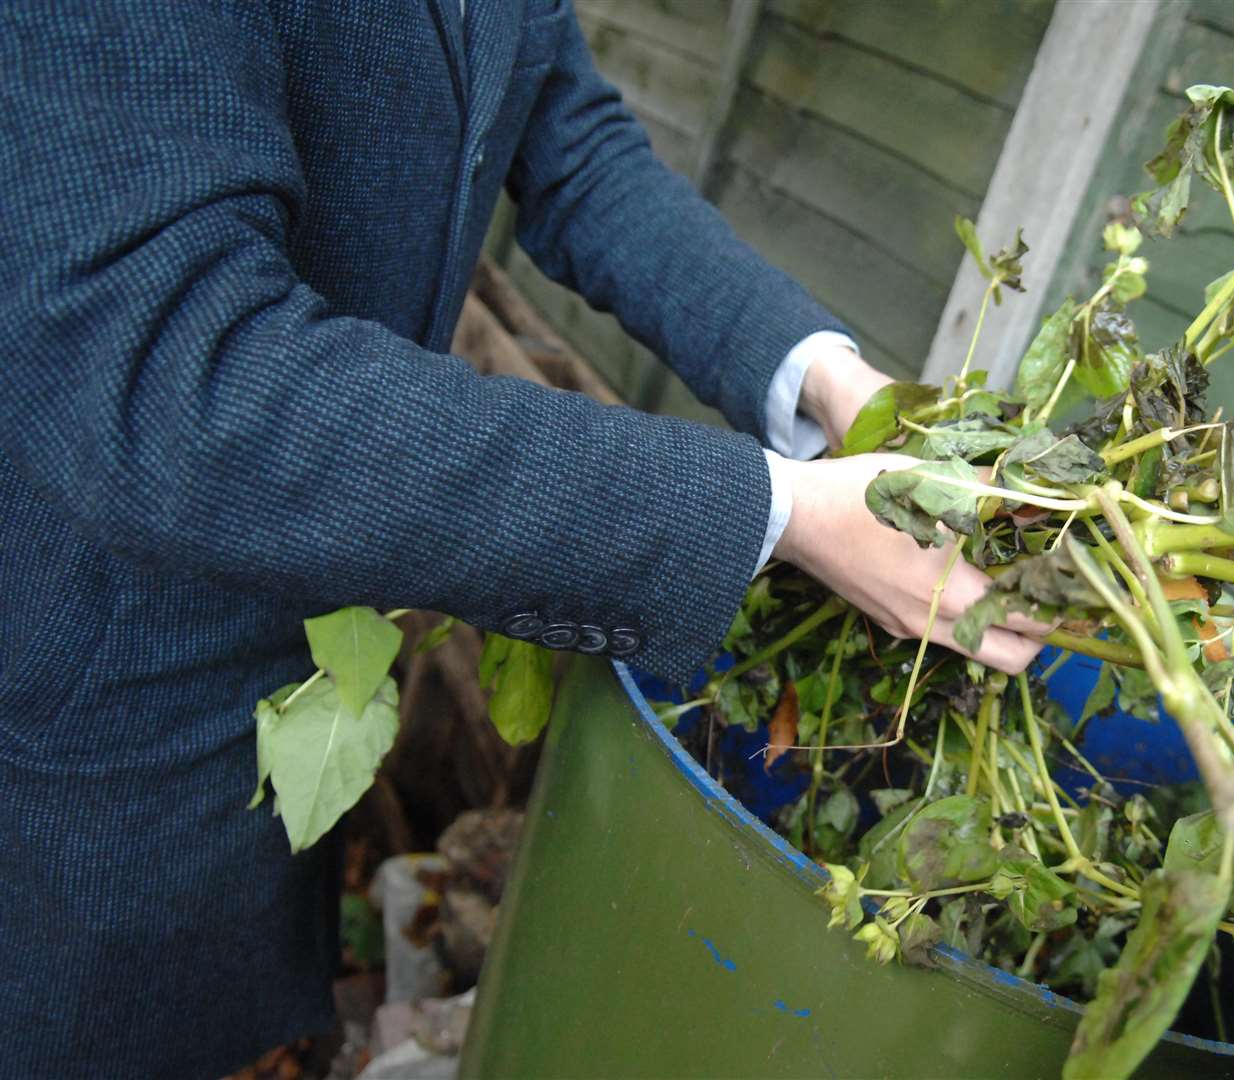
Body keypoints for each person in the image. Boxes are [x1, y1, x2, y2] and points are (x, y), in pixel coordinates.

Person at [0, 1, 1049, 1073]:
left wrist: (834, 383)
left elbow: (572, 148)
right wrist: (773, 512)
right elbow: (178, 379)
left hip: (293, 657)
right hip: (90, 701)